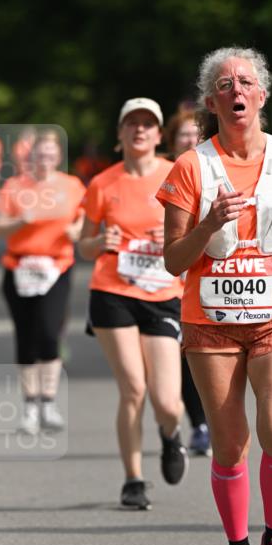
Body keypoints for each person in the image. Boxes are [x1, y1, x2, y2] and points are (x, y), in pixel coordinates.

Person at [159, 47, 272, 545]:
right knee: (229, 445)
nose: (236, 91)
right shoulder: (190, 166)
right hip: (212, 321)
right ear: (212, 102)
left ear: (262, 95)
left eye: (245, 82)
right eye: (224, 84)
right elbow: (174, 260)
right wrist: (207, 225)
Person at [78, 98, 188, 511]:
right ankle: (133, 479)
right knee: (133, 388)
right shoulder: (102, 184)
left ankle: (170, 433)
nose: (139, 130)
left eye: (148, 124)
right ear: (120, 134)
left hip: (162, 294)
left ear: (160, 135)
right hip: (113, 291)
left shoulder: (176, 176)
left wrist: (174, 240)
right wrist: (97, 242)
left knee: (166, 401)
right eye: (132, 124)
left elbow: (198, 232)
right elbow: (84, 245)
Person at [0, 131, 85, 434]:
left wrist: (77, 230)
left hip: (56, 268)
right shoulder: (15, 186)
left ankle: (48, 401)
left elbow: (85, 217)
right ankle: (30, 405)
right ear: (30, 156)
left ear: (58, 157)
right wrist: (21, 221)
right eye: (39, 153)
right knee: (26, 336)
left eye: (50, 153)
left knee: (49, 332)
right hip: (19, 267)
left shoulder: (70, 186)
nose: (44, 158)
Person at [163, 107, 211, 457]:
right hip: (160, 279)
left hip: (200, 279)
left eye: (196, 134)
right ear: (172, 140)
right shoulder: (164, 174)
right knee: (174, 357)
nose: (190, 140)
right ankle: (181, 423)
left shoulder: (213, 170)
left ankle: (201, 424)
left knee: (192, 354)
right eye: (184, 135)